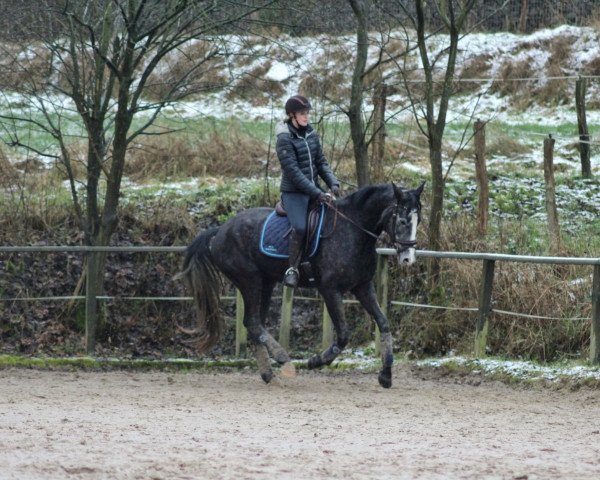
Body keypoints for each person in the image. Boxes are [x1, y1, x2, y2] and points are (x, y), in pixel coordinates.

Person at [275, 94, 340, 288]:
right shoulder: (284, 139)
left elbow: (320, 162)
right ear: (291, 115)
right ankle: (292, 269)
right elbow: (293, 172)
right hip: (294, 193)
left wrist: (333, 182)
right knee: (301, 227)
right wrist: (317, 193)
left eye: (307, 113)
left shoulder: (311, 134)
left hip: (314, 189)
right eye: (302, 114)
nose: (306, 117)